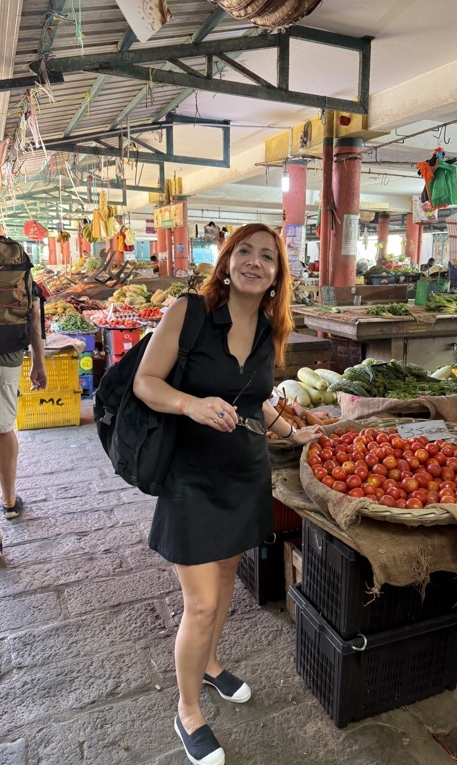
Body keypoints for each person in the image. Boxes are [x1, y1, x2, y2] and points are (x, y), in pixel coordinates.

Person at [133, 223, 322, 765]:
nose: (254, 262)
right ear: (227, 259)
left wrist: (294, 432)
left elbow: (254, 400)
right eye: (245, 251)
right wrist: (188, 404)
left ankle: (211, 664)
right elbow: (148, 381)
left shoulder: (268, 326)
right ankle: (187, 709)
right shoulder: (189, 312)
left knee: (222, 581)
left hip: (244, 473)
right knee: (204, 603)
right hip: (190, 478)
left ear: (277, 275)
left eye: (268, 256)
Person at [0, 189, 48, 561]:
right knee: (5, 429)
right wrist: (39, 360)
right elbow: (34, 312)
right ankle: (9, 501)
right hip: (9, 355)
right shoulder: (14, 251)